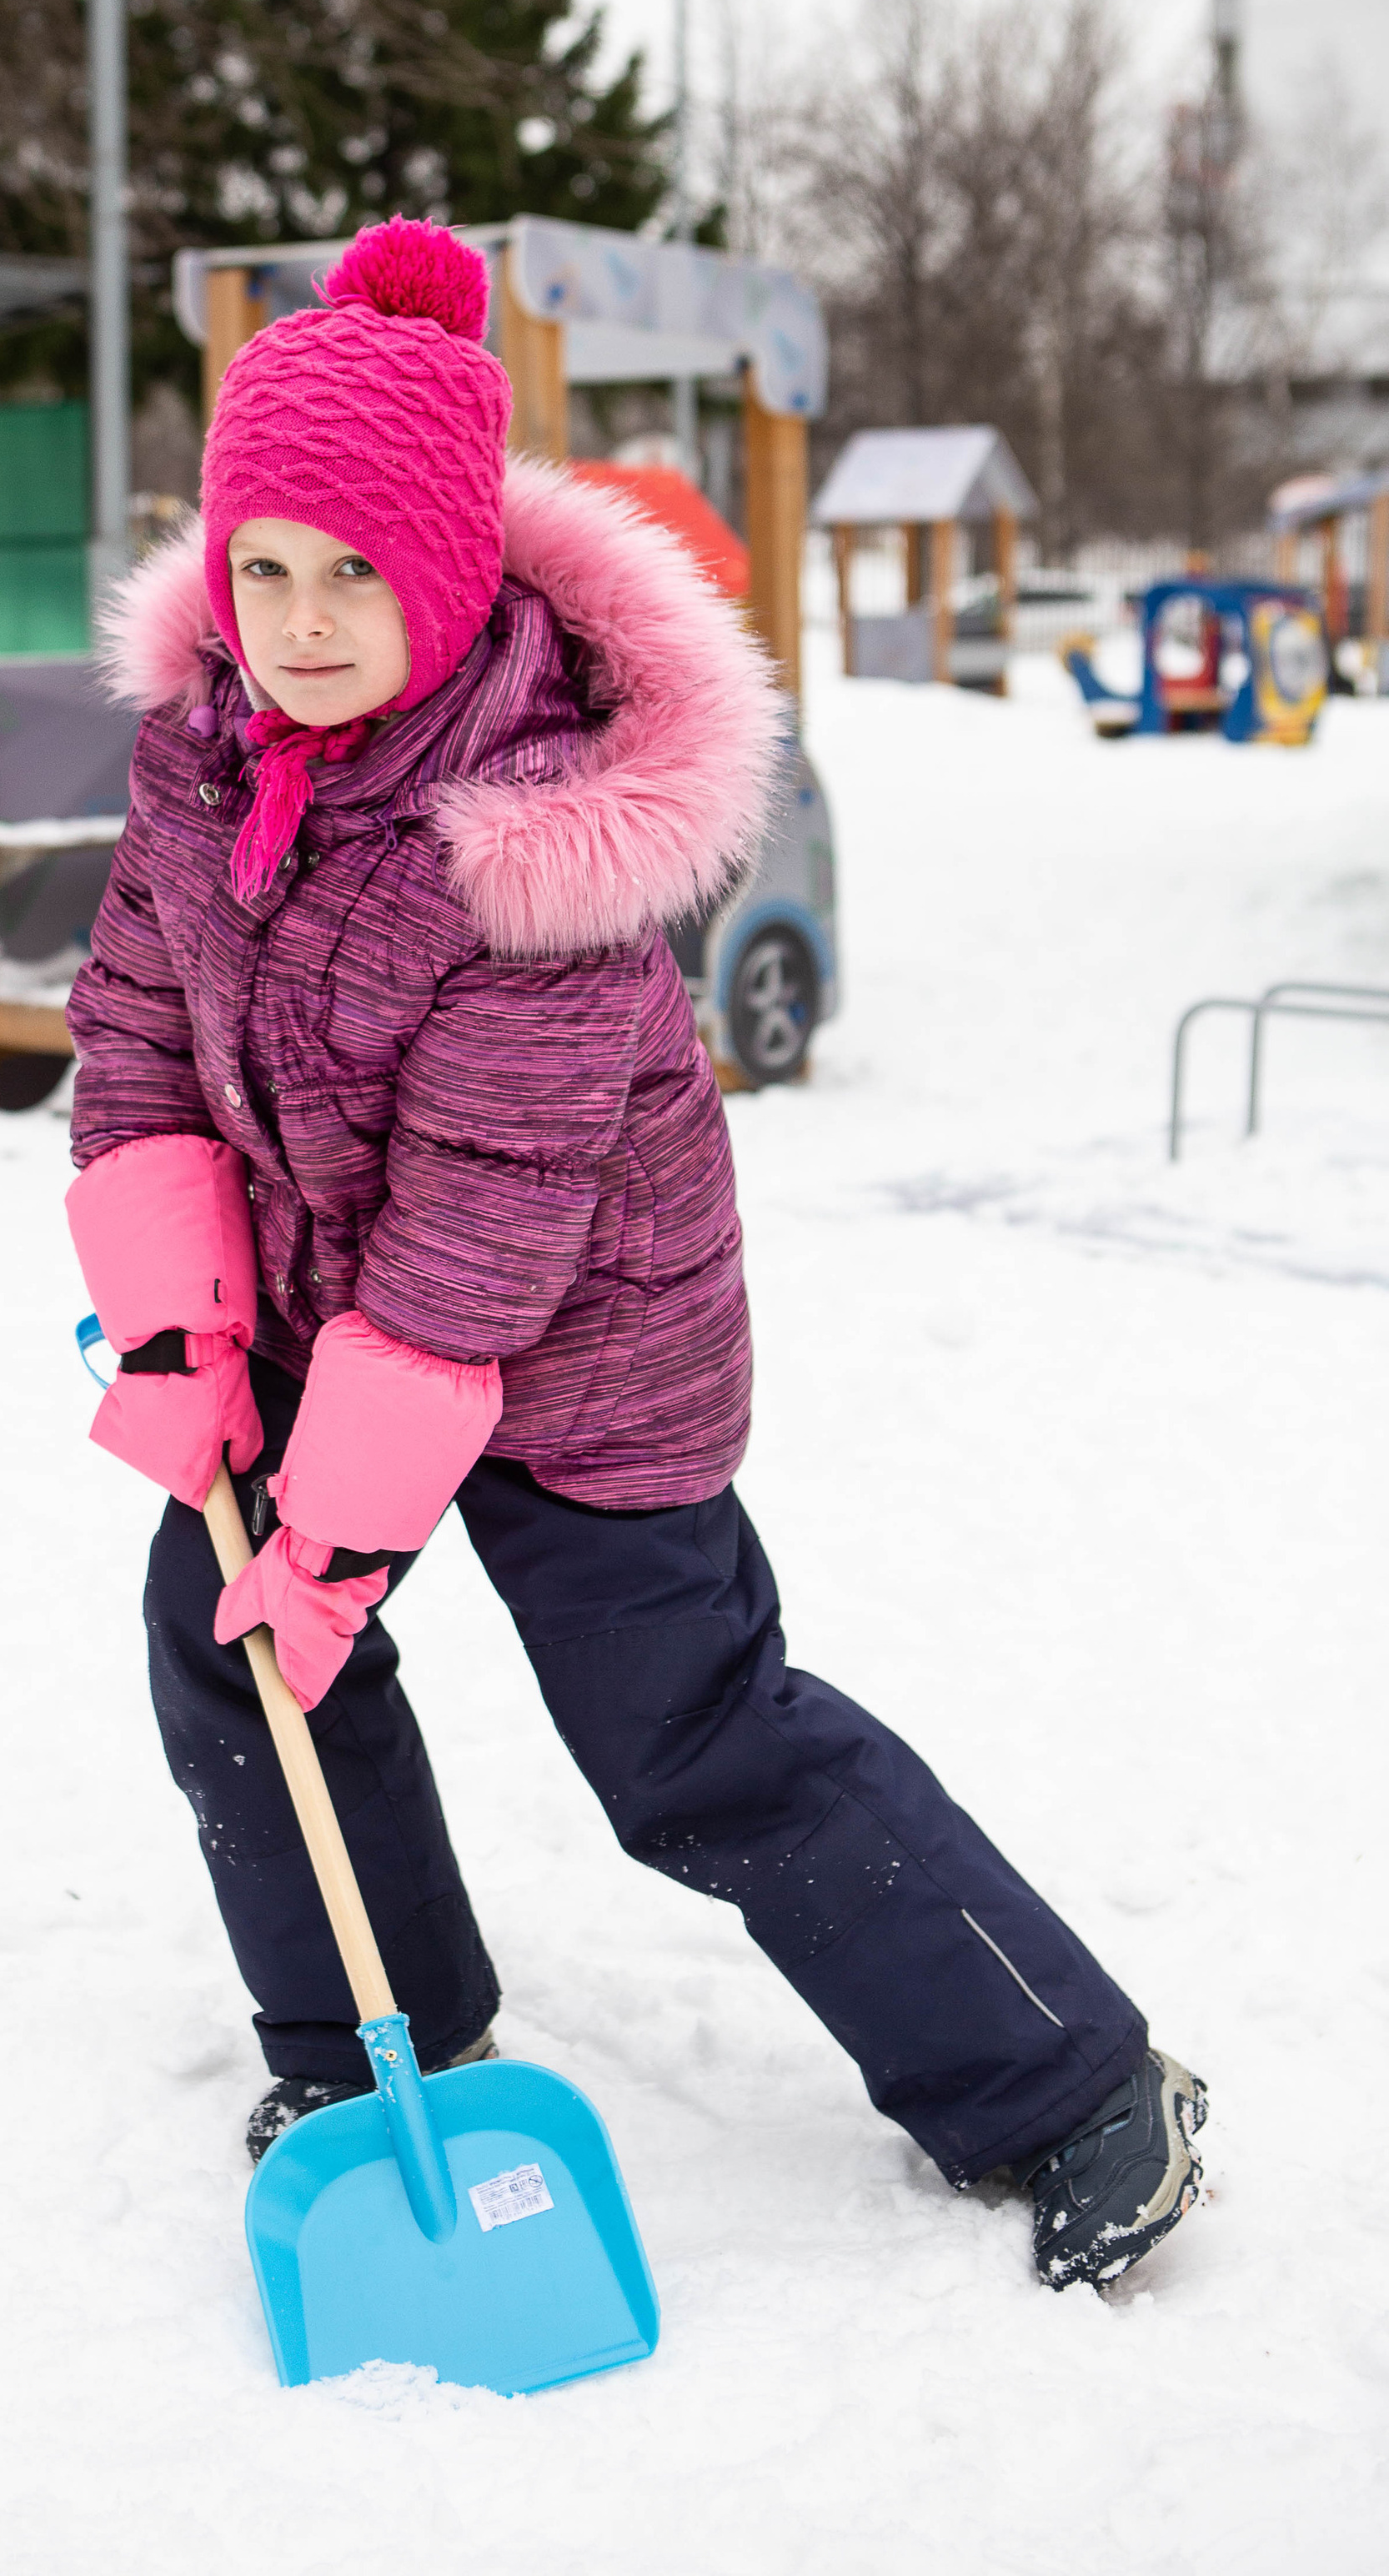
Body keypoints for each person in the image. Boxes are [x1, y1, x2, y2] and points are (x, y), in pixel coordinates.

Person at [64, 216, 1206, 2297]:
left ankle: (1070, 2084)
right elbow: (133, 1029)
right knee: (233, 1635)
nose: (299, 621)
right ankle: (363, 2039)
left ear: (453, 573)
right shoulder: (204, 761)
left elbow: (481, 1237)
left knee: (687, 1738)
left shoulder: (544, 838)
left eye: (354, 573)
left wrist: (331, 1525)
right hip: (329, 1312)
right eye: (262, 567)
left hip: (580, 1359)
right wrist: (175, 1319)